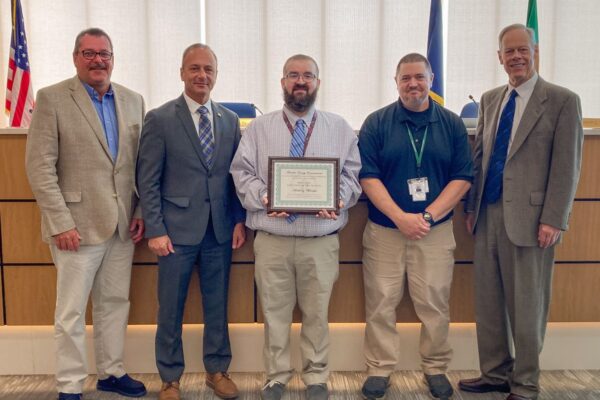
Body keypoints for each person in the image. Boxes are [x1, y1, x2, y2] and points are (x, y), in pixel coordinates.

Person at [458, 24, 583, 400]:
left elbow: (567, 165)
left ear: (535, 51)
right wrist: (472, 205)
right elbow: (481, 157)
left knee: (528, 304)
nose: (515, 57)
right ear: (499, 58)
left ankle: (525, 383)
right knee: (489, 301)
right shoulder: (491, 98)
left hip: (532, 220)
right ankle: (495, 373)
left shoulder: (562, 100)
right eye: (508, 51)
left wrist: (554, 217)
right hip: (489, 213)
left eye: (521, 50)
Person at [230, 54, 361, 400]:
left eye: (307, 76)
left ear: (318, 82)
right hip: (272, 239)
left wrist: (335, 198)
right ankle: (276, 377)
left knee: (317, 313)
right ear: (282, 82)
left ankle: (316, 377)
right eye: (293, 75)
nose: (300, 82)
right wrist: (267, 197)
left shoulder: (340, 127)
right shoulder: (258, 128)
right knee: (274, 314)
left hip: (321, 241)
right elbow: (241, 174)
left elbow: (352, 176)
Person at [25, 28, 147, 400]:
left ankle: (111, 372)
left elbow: (138, 165)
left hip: (122, 225)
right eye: (89, 53)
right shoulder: (52, 99)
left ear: (113, 58)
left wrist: (138, 209)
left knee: (114, 304)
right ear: (75, 57)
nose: (98, 60)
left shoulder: (132, 100)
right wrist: (61, 222)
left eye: (104, 54)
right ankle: (70, 384)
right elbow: (39, 168)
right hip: (74, 228)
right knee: (71, 313)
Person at [358, 53, 473, 400]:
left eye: (419, 77)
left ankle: (436, 367)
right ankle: (379, 368)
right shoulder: (377, 123)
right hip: (384, 231)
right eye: (405, 78)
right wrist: (400, 217)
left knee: (435, 303)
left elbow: (462, 177)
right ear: (396, 82)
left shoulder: (452, 124)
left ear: (431, 79)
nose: (413, 84)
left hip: (434, 232)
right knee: (380, 302)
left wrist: (426, 217)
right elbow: (368, 176)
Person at [136, 43, 246, 400]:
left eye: (208, 69)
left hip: (219, 230)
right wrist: (155, 228)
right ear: (182, 72)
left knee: (218, 305)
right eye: (194, 68)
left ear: (216, 74)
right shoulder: (160, 118)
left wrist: (239, 220)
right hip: (174, 232)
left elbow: (236, 176)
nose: (202, 75)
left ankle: (217, 370)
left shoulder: (229, 120)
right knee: (170, 307)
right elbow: (147, 179)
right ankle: (170, 378)